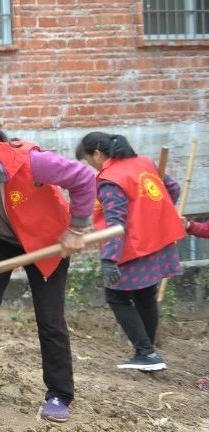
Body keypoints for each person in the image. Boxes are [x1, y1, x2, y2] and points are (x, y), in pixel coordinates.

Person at [0, 117, 96, 423]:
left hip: (45, 240)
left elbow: (84, 176)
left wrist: (77, 228)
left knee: (49, 315)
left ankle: (59, 393)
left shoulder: (30, 162)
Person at [76, 132, 184, 372]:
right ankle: (149, 352)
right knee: (146, 294)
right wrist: (153, 213)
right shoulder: (144, 162)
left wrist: (108, 260)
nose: (91, 166)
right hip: (158, 239)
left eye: (88, 160)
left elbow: (116, 223)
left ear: (97, 154)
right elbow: (172, 190)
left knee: (116, 296)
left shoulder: (110, 179)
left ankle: (145, 352)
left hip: (133, 245)